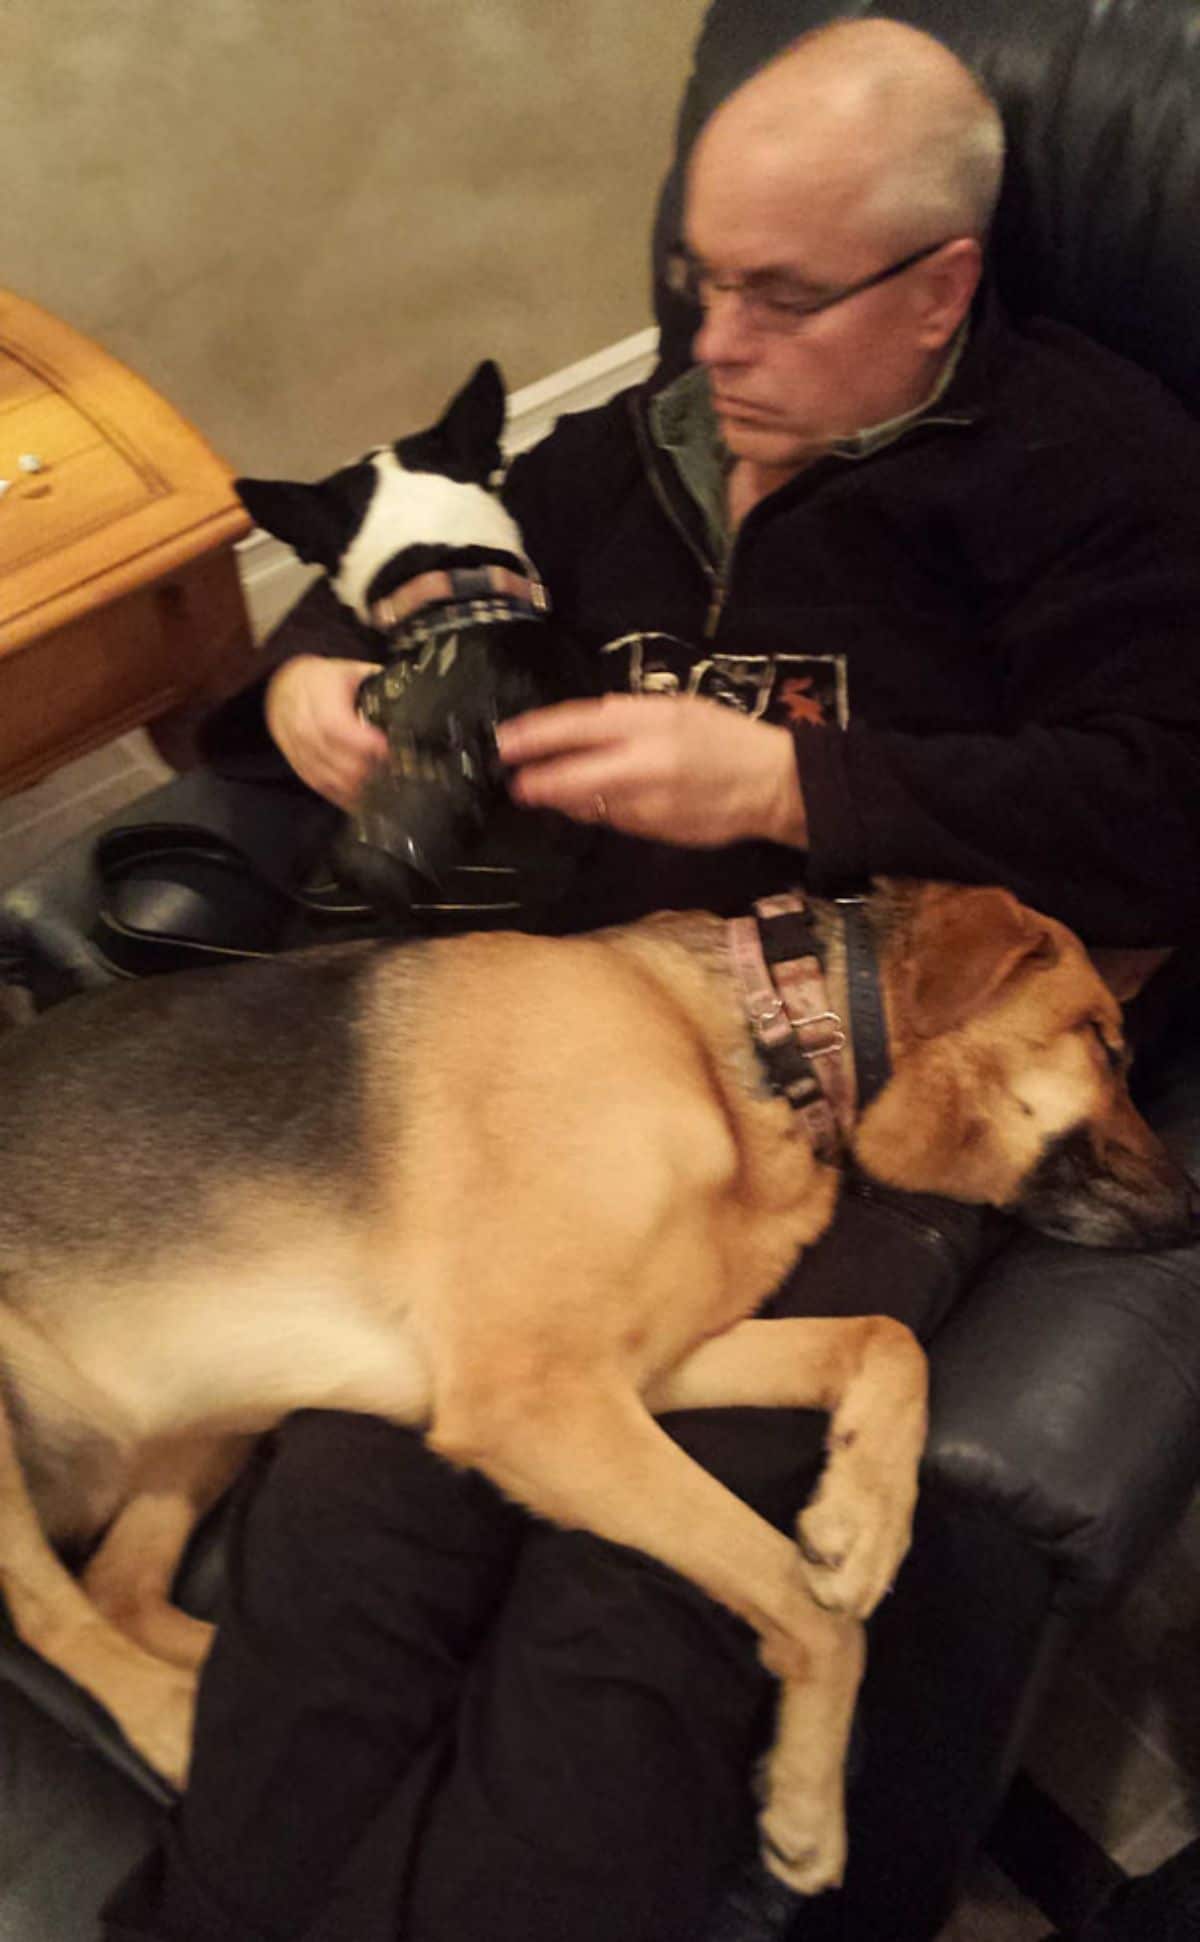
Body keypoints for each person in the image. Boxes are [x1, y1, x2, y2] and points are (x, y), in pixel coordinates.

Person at [104, 20, 1200, 1942]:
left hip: (854, 1087)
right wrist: (296, 694)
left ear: (941, 285)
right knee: (358, 1517)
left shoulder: (1088, 466)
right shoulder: (627, 451)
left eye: (781, 296)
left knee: (642, 1603)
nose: (713, 342)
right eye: (697, 283)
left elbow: (1167, 801)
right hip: (548, 1057)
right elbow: (335, 594)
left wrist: (797, 780)